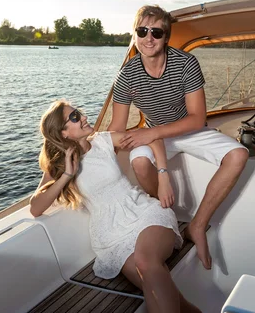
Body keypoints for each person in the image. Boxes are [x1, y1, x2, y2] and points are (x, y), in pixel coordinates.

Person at [109, 5, 249, 270]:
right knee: (139, 163)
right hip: (156, 138)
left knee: (238, 154)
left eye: (156, 32)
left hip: (189, 130)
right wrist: (87, 153)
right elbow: (116, 126)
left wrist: (152, 131)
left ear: (166, 37)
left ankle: (197, 225)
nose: (148, 38)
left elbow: (197, 117)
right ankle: (167, 220)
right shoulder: (127, 74)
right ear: (135, 34)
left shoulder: (186, 63)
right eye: (142, 31)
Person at [30, 100, 200, 313]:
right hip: (111, 234)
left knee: (146, 263)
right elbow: (36, 207)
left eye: (79, 112)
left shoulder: (103, 140)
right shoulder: (62, 163)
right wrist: (66, 176)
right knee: (157, 286)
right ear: (63, 133)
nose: (83, 117)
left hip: (144, 212)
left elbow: (152, 137)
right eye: (74, 117)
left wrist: (163, 175)